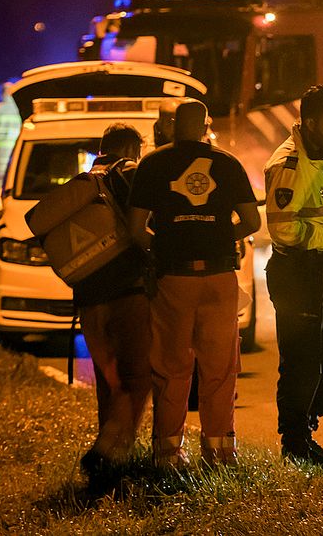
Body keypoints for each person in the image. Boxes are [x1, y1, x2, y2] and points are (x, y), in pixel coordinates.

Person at [127, 98, 260, 468]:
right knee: (220, 367)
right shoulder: (228, 164)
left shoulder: (153, 164)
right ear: (206, 125)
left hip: (175, 278)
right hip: (219, 277)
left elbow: (136, 230)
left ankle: (168, 452)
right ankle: (220, 451)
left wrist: (166, 246)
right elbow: (252, 222)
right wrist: (221, 237)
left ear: (172, 126)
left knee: (172, 366)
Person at [264, 85, 323, 469]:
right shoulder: (290, 164)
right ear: (310, 121)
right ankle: (296, 444)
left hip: (315, 269)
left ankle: (305, 432)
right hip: (297, 270)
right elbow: (282, 229)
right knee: (301, 364)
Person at [72, 124, 151, 479]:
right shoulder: (130, 172)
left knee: (109, 380)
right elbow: (147, 227)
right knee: (138, 375)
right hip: (127, 292)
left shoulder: (84, 180)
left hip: (88, 298)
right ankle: (106, 449)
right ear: (132, 146)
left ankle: (114, 456)